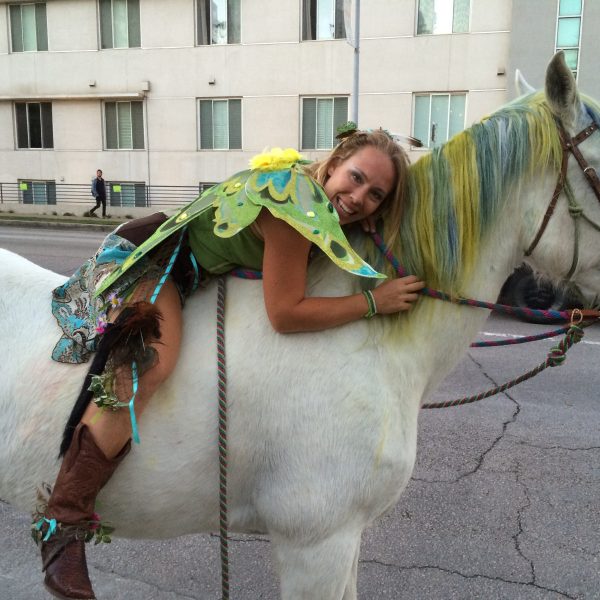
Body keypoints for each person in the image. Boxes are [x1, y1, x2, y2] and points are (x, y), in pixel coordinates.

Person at [34, 128, 425, 599]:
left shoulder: (308, 193)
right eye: (356, 177)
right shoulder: (295, 208)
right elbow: (285, 314)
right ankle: (64, 522)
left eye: (375, 194)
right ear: (337, 161)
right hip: (156, 265)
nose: (358, 196)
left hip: (185, 266)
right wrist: (373, 304)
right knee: (149, 360)